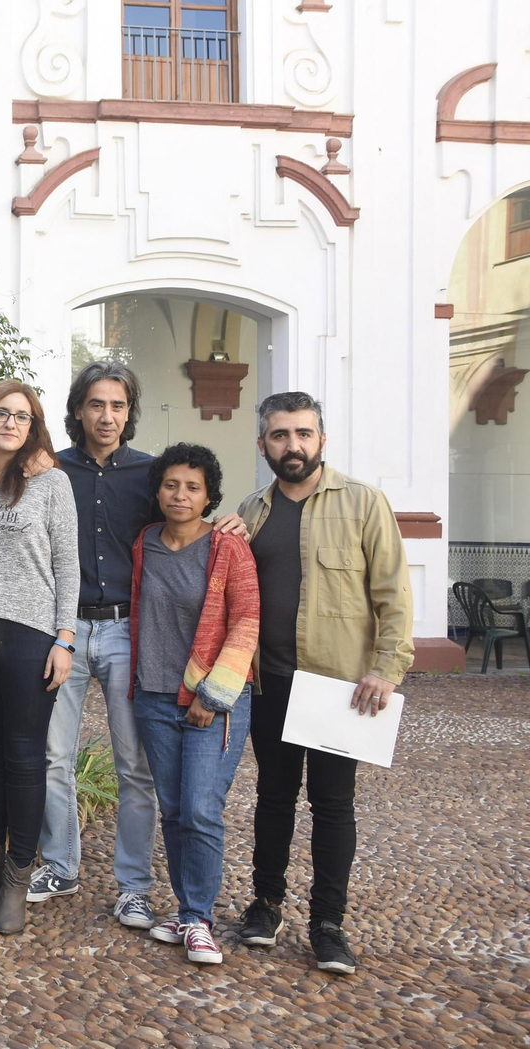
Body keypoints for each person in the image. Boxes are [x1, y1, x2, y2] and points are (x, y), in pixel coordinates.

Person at [226, 392, 413, 975]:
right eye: (280, 436)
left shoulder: (363, 503)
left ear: (322, 439)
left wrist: (387, 667)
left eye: (303, 434)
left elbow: (393, 593)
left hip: (339, 686)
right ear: (263, 445)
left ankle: (328, 925)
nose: (293, 446)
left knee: (334, 806)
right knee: (273, 800)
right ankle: (266, 905)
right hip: (271, 682)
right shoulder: (251, 510)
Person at [30, 361, 160, 933]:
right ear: (78, 409)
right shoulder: (49, 468)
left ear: (129, 412)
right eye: (96, 405)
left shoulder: (154, 475)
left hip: (130, 630)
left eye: (118, 406)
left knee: (135, 765)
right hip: (65, 630)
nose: (107, 416)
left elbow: (186, 532)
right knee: (54, 755)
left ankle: (133, 887)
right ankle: (60, 864)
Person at [0, 381, 78, 935]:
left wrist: (65, 639)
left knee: (25, 761)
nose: (11, 423)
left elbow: (68, 564)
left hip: (31, 637)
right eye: (1, 412)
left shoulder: (51, 482)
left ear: (34, 427)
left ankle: (17, 886)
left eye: (22, 417)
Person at [128, 443, 258, 967]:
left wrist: (212, 695)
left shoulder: (228, 547)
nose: (180, 495)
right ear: (158, 490)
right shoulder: (145, 543)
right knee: (176, 809)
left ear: (209, 495)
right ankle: (186, 912)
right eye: (171, 485)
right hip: (153, 697)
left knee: (202, 808)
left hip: (212, 700)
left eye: (192, 487)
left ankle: (200, 919)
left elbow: (246, 621)